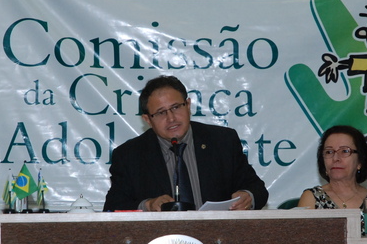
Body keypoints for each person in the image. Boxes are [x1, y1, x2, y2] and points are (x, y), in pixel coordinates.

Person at [103, 75, 268, 212]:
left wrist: (248, 197)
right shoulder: (129, 156)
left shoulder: (222, 141)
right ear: (147, 119)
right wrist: (147, 206)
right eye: (160, 113)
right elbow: (112, 208)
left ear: (188, 105)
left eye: (176, 107)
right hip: (160, 240)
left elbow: (257, 189)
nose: (171, 118)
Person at [297, 125, 367, 237]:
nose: (335, 158)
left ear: (360, 161)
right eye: (329, 152)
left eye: (345, 151)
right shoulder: (311, 198)